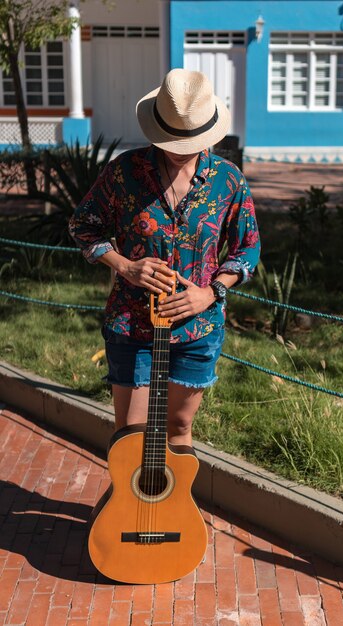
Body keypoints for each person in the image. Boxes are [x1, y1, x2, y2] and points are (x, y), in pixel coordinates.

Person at [69, 68, 260, 447]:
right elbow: (83, 226)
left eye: (187, 140)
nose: (178, 149)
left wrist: (211, 293)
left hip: (197, 329)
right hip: (132, 324)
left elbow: (247, 248)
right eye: (170, 138)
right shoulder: (123, 173)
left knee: (179, 429)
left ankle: (174, 508)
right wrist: (125, 265)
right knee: (130, 436)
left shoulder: (228, 180)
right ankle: (130, 507)